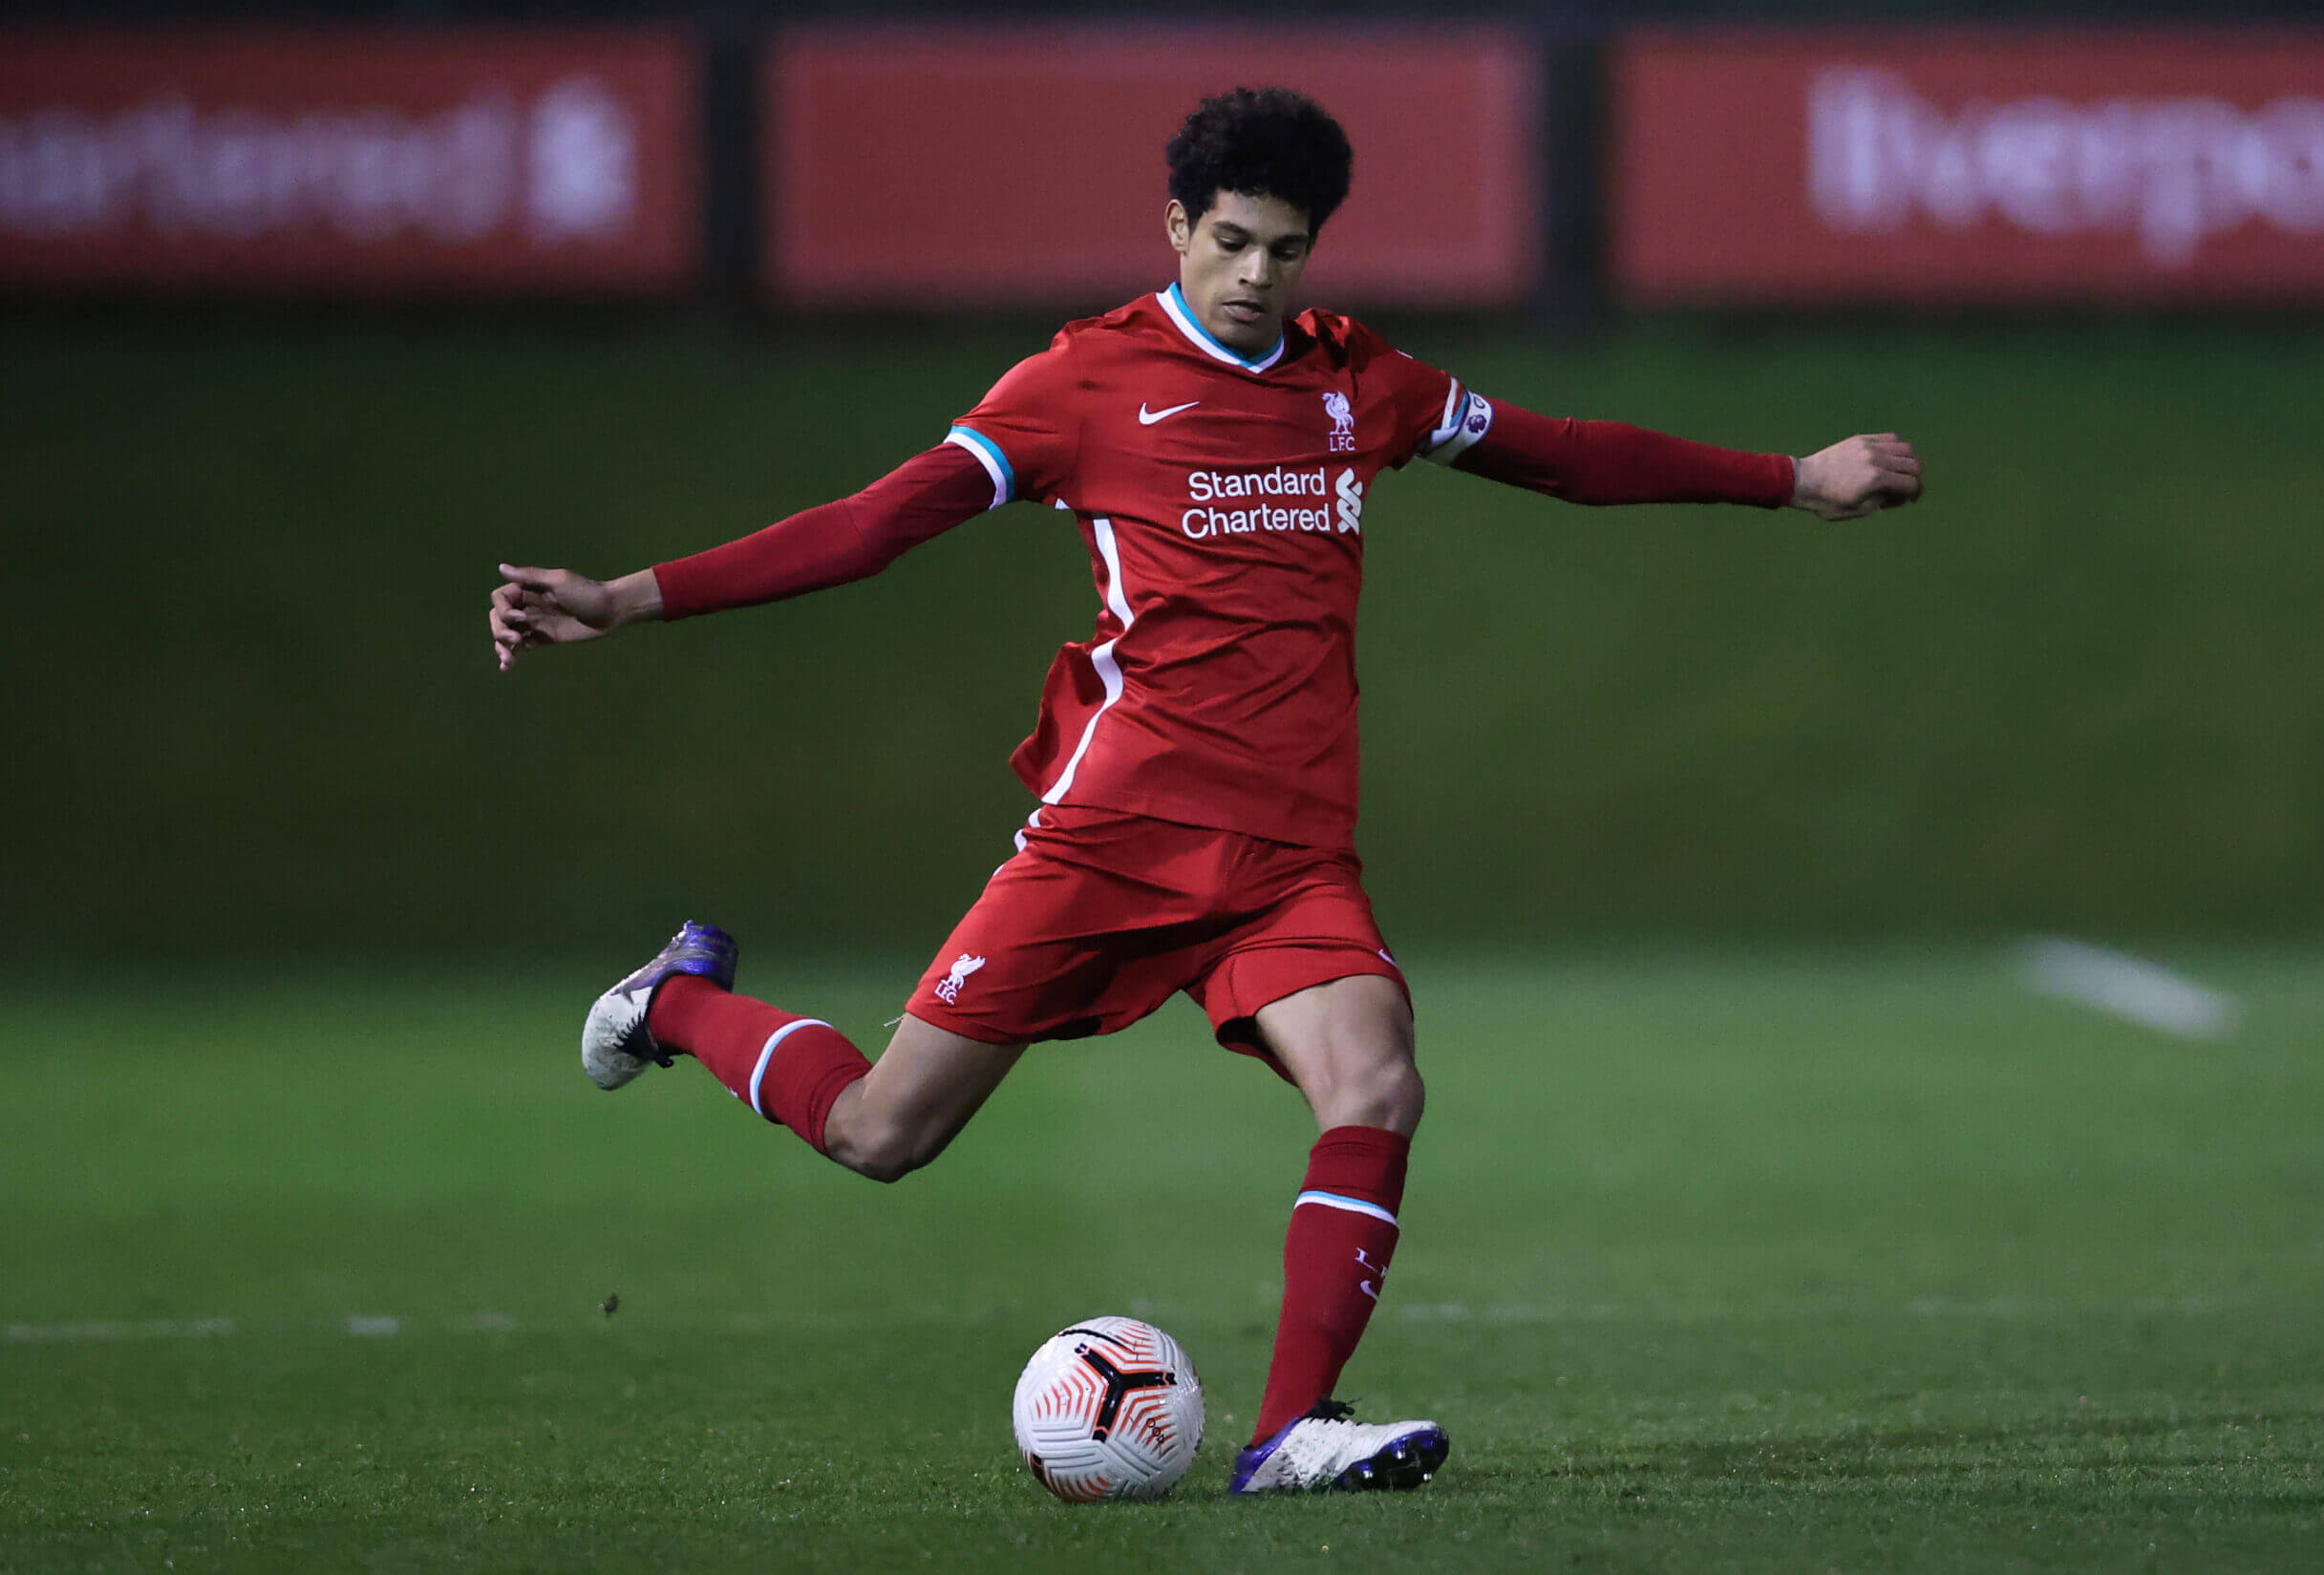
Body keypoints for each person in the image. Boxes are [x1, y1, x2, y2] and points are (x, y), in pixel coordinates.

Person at [487, 86, 1921, 1496]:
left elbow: (1567, 455)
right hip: (1112, 837)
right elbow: (875, 525)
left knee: (1378, 1080)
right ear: (1175, 225)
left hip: (1291, 857)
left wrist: (1793, 477)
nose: (1254, 274)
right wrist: (627, 597)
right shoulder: (1079, 386)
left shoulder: (1364, 383)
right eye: (1229, 240)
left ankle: (1290, 1432)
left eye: (1285, 249)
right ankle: (676, 997)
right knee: (881, 1132)